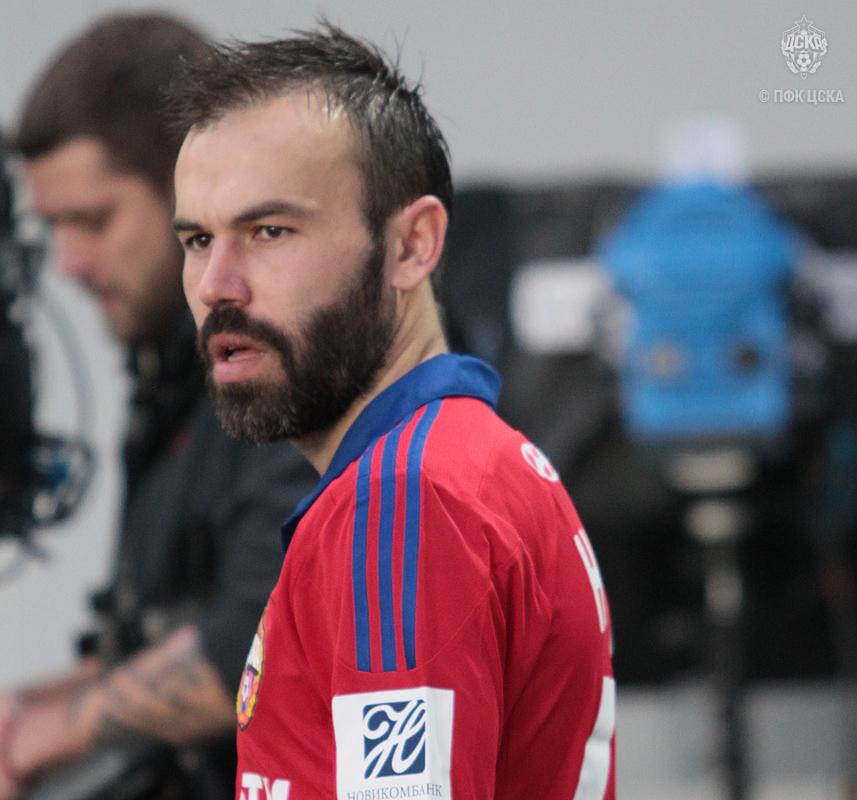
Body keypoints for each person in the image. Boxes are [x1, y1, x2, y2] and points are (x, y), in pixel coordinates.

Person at [0, 14, 316, 800]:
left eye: (93, 221)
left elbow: (258, 641)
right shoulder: (172, 381)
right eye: (54, 228)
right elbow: (155, 643)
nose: (68, 264)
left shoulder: (283, 374)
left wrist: (22, 749)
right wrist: (9, 720)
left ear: (195, 196)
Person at [169, 24, 617, 799]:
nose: (216, 285)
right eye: (198, 239)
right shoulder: (460, 461)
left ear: (412, 246)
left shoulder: (404, 498)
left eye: (269, 231)